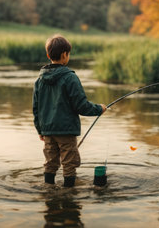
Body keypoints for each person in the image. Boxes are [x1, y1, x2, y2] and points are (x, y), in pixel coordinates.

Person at [33, 34, 107, 187]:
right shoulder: (70, 77)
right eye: (69, 54)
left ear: (48, 55)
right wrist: (99, 109)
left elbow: (36, 108)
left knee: (50, 162)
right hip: (66, 130)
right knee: (69, 164)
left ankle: (49, 192)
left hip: (47, 130)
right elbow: (81, 106)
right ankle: (69, 196)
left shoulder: (39, 79)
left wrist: (40, 130)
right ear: (64, 55)